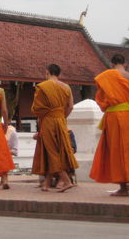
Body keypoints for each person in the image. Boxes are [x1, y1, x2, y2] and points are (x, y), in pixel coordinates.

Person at [90, 54, 129, 196]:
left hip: (114, 116)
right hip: (128, 115)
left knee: (116, 151)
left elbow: (101, 98)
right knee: (128, 150)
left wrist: (106, 104)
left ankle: (123, 188)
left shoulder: (107, 75)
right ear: (125, 63)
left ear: (112, 63)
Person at [31, 64, 78, 192]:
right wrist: (62, 118)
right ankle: (46, 183)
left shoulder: (43, 86)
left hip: (48, 122)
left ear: (47, 72)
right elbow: (70, 106)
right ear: (59, 74)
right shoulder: (66, 87)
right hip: (61, 121)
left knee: (51, 151)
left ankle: (66, 180)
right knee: (54, 150)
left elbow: (36, 109)